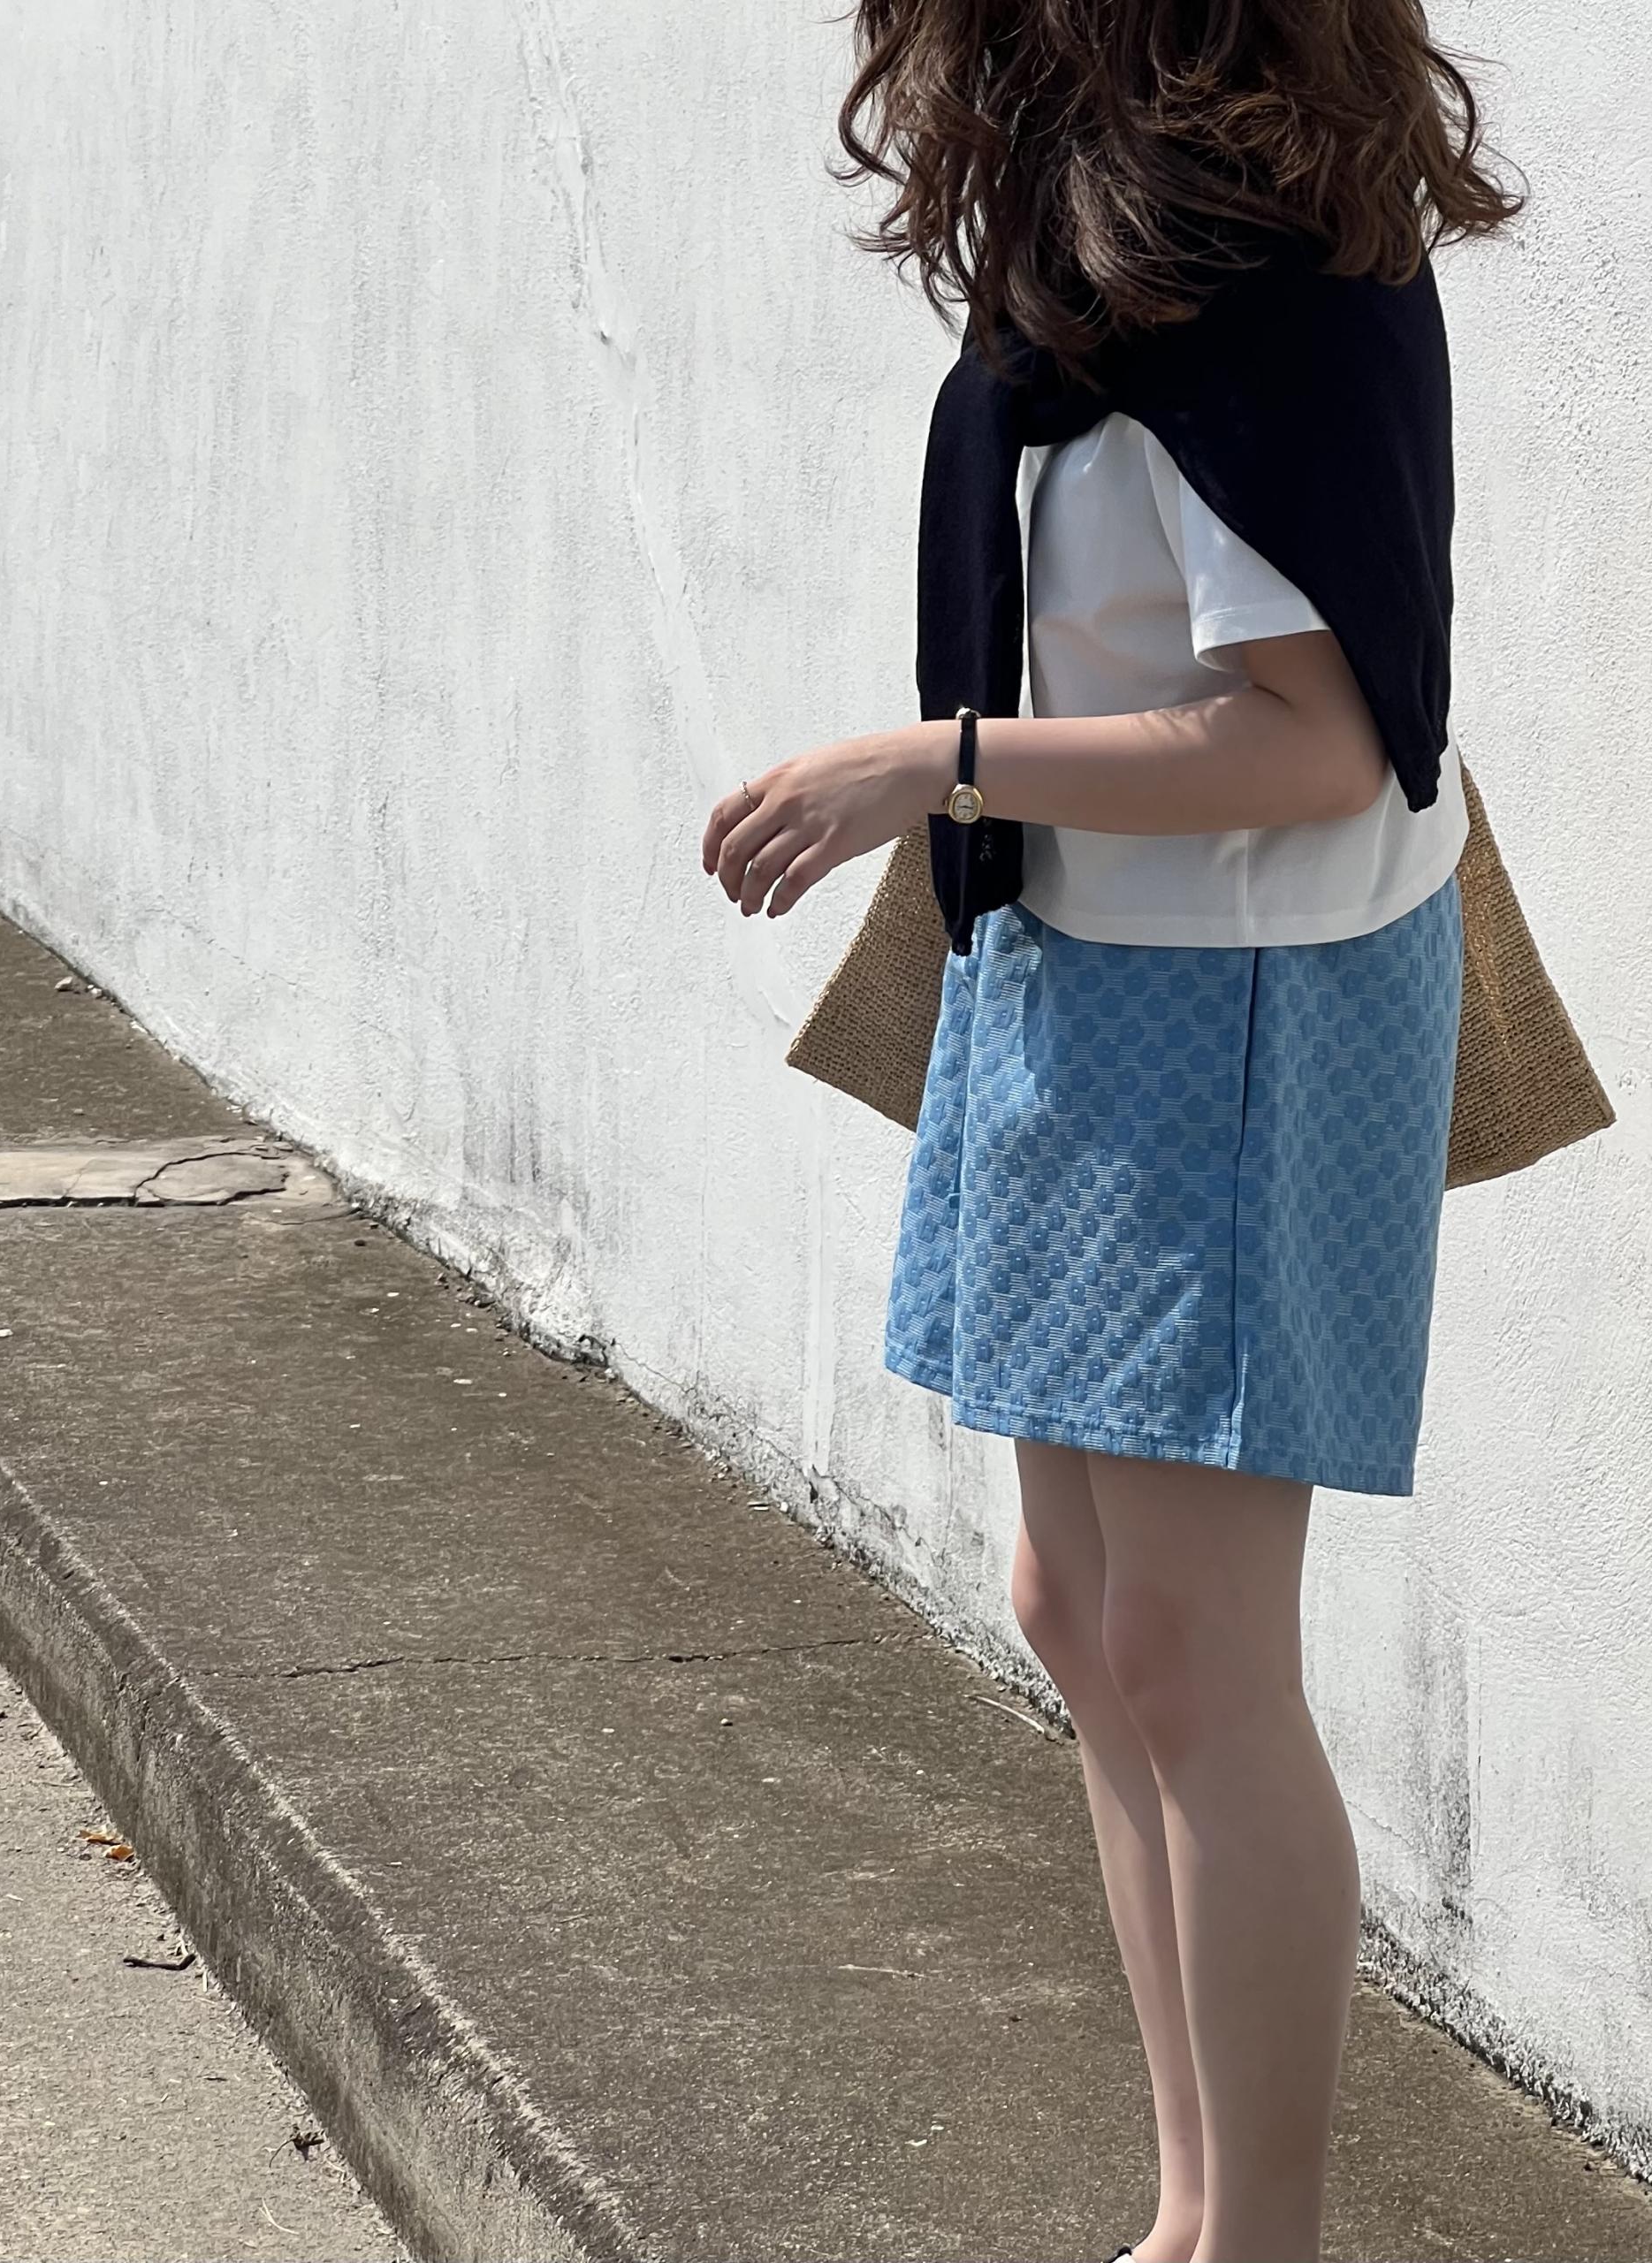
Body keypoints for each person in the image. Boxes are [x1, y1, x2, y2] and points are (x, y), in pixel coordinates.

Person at [701, 7, 1522, 2259]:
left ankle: (1260, 2237)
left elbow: (1318, 743)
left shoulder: (1266, 278)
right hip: (1090, 964)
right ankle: (1187, 2210)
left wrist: (928, 762)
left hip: (1247, 1002)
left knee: (1189, 1646)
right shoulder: (1116, 249)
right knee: (1079, 1606)